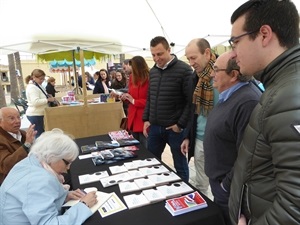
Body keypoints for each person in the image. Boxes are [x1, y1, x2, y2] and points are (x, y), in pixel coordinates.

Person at [228, 1, 300, 225]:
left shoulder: (289, 95)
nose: (233, 53)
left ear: (264, 34)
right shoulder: (281, 88)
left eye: (235, 42)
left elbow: (295, 207)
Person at [203, 51, 261, 225]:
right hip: (221, 185)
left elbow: (247, 156)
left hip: (230, 190)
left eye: (216, 69)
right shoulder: (231, 94)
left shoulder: (247, 102)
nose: (212, 74)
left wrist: (225, 186)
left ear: (234, 75)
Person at [0, 128, 98, 225]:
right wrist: (84, 205)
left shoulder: (31, 161)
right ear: (52, 156)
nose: (67, 168)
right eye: (67, 163)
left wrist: (63, 196)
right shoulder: (39, 181)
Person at [143, 36, 193, 182]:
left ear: (169, 50)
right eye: (153, 55)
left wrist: (180, 125)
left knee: (180, 166)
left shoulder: (184, 70)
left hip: (174, 129)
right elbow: (150, 97)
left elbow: (190, 102)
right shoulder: (153, 72)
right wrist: (146, 119)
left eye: (159, 54)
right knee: (152, 163)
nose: (156, 58)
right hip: (155, 127)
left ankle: (184, 194)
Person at [181, 38, 219, 195]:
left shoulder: (225, 73)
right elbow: (192, 111)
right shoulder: (194, 77)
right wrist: (187, 137)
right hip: (199, 139)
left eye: (193, 57)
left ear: (207, 53)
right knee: (201, 184)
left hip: (220, 141)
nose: (191, 62)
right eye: (188, 58)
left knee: (221, 187)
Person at [0, 107, 36, 185]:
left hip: (29, 172)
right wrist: (26, 145)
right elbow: (6, 166)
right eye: (12, 118)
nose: (17, 121)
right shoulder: (2, 139)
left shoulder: (23, 133)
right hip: (12, 180)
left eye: (18, 117)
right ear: (0, 121)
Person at [121, 56, 149, 149]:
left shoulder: (149, 78)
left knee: (144, 149)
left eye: (131, 66)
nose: (130, 68)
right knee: (134, 148)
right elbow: (130, 93)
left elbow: (150, 100)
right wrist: (125, 97)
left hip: (143, 119)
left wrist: (133, 100)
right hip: (133, 118)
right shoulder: (132, 77)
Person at [25, 69, 55, 138]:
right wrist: (47, 100)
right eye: (40, 79)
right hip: (36, 114)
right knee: (39, 136)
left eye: (43, 79)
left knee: (41, 134)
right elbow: (35, 102)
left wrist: (47, 96)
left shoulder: (37, 85)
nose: (42, 81)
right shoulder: (32, 87)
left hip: (38, 113)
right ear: (34, 77)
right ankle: (40, 148)